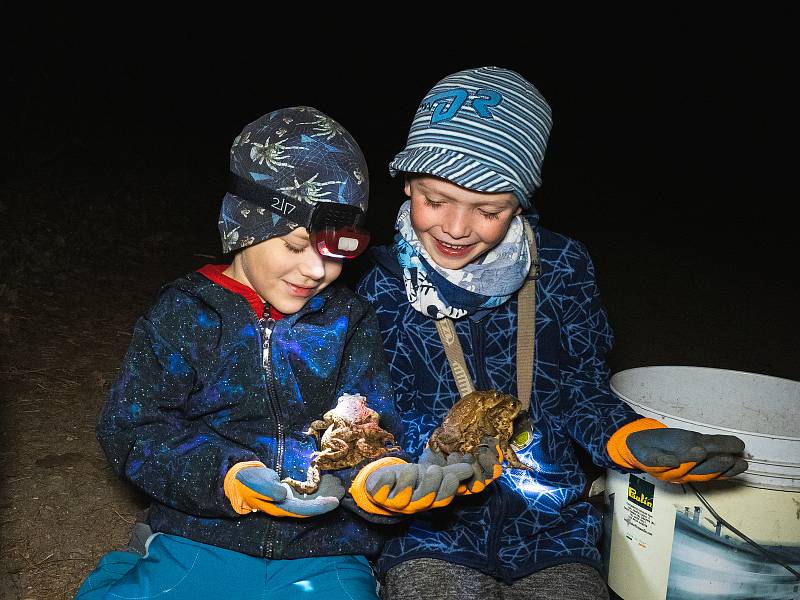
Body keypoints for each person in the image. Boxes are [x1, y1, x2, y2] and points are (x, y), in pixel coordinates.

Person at [355, 67, 749, 599]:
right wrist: (380, 485)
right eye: (434, 199)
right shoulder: (371, 282)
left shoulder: (564, 266)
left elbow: (581, 388)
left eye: (488, 210)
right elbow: (360, 415)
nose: (454, 227)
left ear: (521, 203)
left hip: (553, 533)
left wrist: (628, 438)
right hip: (426, 532)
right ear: (406, 184)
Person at [75, 106, 490, 600]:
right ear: (245, 227)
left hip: (326, 547)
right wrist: (228, 478)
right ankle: (134, 561)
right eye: (296, 246)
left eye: (335, 252)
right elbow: (132, 427)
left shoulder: (347, 319)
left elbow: (367, 430)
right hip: (206, 537)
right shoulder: (186, 312)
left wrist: (377, 481)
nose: (316, 270)